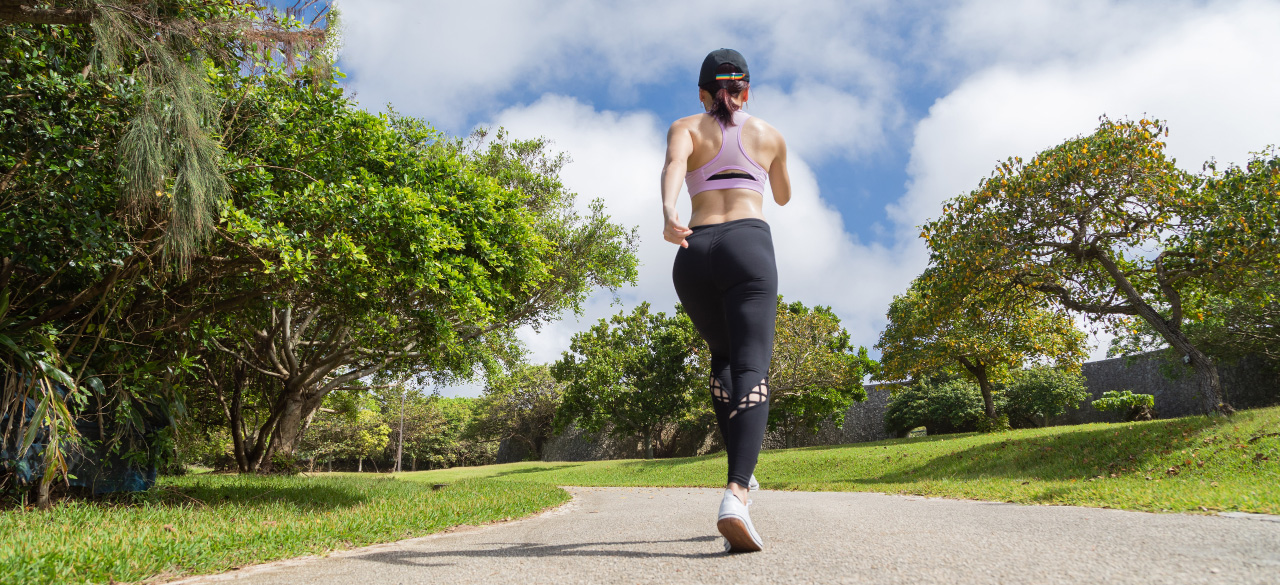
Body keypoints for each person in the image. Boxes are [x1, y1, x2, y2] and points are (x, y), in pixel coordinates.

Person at [661, 48, 790, 552]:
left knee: (724, 360)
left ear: (701, 92)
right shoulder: (770, 134)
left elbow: (674, 167)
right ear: (747, 91)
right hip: (747, 245)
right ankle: (737, 492)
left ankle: (742, 469)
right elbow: (781, 196)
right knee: (753, 366)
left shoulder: (685, 127)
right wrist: (770, 163)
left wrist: (669, 212)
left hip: (693, 250)